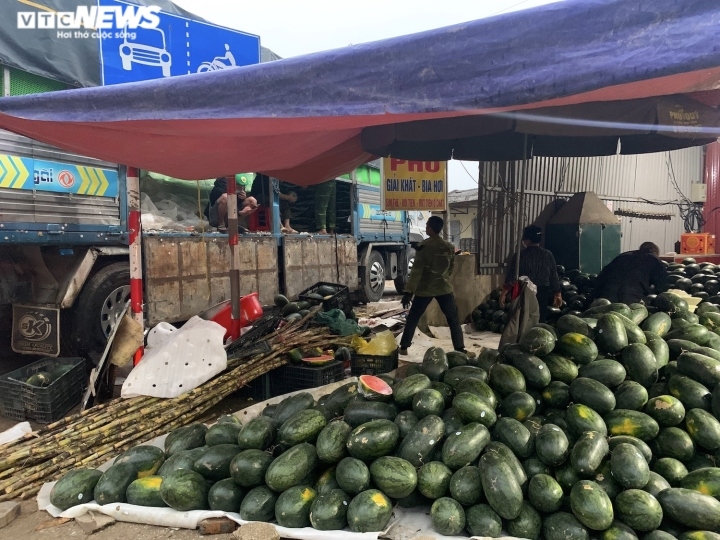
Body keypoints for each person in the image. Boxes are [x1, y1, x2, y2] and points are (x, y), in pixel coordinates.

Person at [399, 215, 474, 357]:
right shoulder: (449, 246)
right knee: (453, 318)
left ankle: (403, 347)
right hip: (443, 287)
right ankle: (460, 349)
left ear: (431, 229)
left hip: (424, 289)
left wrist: (409, 291)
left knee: (414, 317)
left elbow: (416, 271)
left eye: (427, 225)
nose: (426, 227)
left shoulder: (423, 246)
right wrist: (442, 278)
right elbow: (451, 268)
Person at [501, 225, 562, 323]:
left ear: (527, 240)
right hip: (543, 291)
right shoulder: (547, 254)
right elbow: (553, 275)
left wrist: (503, 294)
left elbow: (511, 276)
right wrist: (557, 293)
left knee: (524, 318)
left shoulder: (520, 256)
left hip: (525, 291)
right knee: (540, 317)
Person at [594, 241, 668, 304]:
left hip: (604, 298)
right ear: (655, 253)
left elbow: (600, 278)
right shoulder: (655, 260)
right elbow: (662, 287)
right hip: (631, 299)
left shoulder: (622, 256)